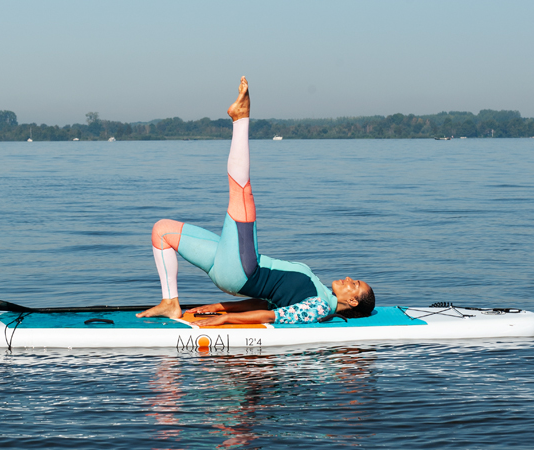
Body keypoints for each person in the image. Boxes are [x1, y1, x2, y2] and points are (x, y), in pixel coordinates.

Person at [137, 77, 374, 326]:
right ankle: (170, 302)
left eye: (355, 284)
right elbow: (265, 303)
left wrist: (226, 319)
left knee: (242, 191)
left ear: (354, 301)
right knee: (162, 231)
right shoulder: (319, 293)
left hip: (243, 271)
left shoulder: (319, 306)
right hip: (231, 268)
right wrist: (219, 307)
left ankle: (241, 119)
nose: (349, 278)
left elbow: (274, 316)